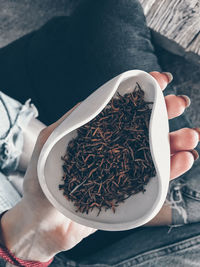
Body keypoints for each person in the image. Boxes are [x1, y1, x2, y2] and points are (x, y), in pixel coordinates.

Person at [0, 0, 200, 266]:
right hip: (184, 200)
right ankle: (19, 137)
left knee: (82, 33)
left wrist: (32, 236)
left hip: (63, 241)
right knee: (105, 18)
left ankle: (15, 136)